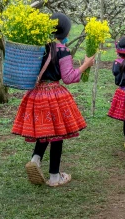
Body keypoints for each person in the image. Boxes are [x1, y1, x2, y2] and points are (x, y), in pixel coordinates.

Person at [12, 13, 96, 187]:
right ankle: (55, 177)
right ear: (65, 32)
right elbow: (68, 77)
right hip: (54, 95)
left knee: (45, 131)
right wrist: (85, 65)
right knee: (57, 135)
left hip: (36, 94)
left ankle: (35, 160)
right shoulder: (62, 50)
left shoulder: (39, 47)